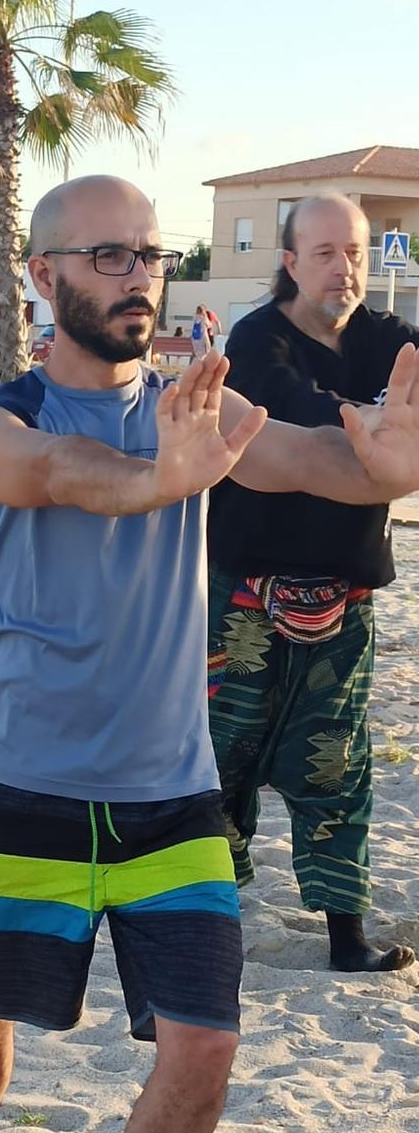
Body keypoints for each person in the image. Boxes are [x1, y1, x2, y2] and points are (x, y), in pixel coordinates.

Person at [0, 175, 419, 1133]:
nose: (136, 274)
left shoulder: (201, 412)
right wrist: (157, 481)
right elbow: (50, 477)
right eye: (105, 257)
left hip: (171, 796)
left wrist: (388, 465)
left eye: (147, 253)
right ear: (42, 277)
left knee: (205, 1044)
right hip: (25, 782)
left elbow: (315, 464)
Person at [208, 193, 418, 975]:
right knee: (221, 761)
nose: (345, 267)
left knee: (337, 762)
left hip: (345, 598)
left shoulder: (389, 340)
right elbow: (289, 412)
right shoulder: (257, 339)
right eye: (326, 252)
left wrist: (386, 420)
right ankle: (208, 925)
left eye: (356, 251)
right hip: (244, 596)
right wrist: (373, 424)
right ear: (290, 261)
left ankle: (345, 936)